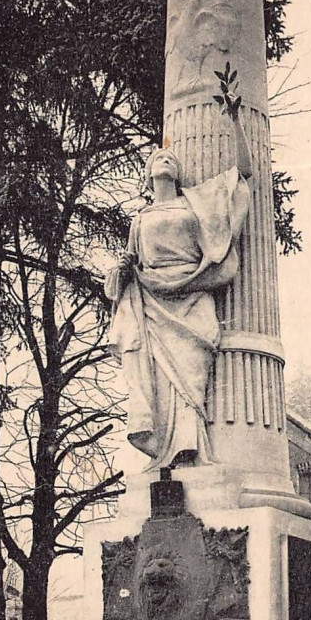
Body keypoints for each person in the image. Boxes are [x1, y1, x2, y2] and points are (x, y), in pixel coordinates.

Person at [106, 73, 252, 469]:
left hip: (193, 295)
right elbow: (126, 270)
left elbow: (243, 175)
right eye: (157, 158)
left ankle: (190, 445)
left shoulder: (196, 205)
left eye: (169, 157)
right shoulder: (140, 218)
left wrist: (235, 120)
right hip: (153, 303)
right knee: (162, 381)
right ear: (150, 174)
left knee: (191, 376)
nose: (165, 158)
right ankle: (172, 453)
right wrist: (120, 271)